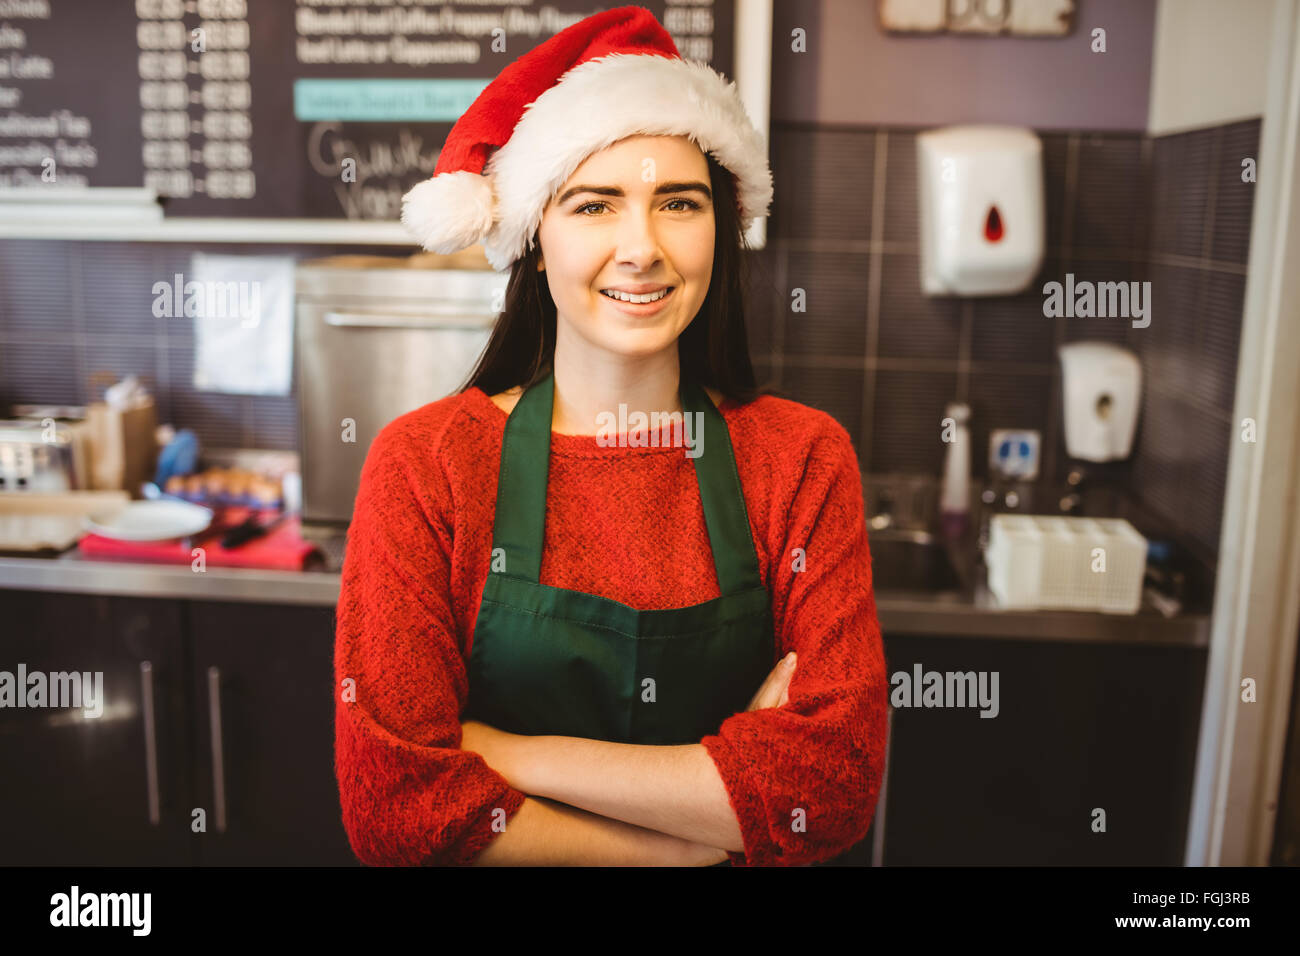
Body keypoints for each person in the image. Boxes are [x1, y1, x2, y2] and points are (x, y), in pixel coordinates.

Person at [334, 5, 887, 867]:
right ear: (536, 242)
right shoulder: (426, 465)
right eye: (595, 205)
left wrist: (513, 756)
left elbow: (833, 789)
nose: (642, 248)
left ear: (722, 230)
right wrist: (687, 841)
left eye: (679, 202)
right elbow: (399, 811)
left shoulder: (802, 458)